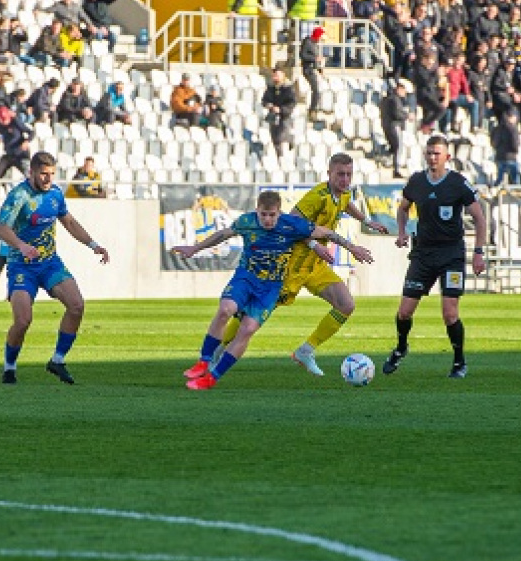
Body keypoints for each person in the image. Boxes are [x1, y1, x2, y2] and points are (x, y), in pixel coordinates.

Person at [173, 189, 373, 390]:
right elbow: (223, 234)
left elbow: (325, 232)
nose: (268, 220)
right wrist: (194, 249)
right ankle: (205, 360)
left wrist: (351, 247)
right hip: (246, 278)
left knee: (248, 329)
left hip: (271, 287)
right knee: (226, 309)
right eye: (263, 214)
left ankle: (211, 378)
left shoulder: (290, 224)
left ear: (279, 213)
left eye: (272, 215)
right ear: (257, 211)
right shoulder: (247, 222)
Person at [219, 153, 384, 377]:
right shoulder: (317, 196)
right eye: (340, 174)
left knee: (346, 304)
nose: (345, 180)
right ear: (329, 174)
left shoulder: (343, 194)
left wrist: (366, 221)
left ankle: (306, 351)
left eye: (348, 174)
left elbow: (347, 205)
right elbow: (291, 222)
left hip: (315, 267)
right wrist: (315, 244)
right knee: (250, 315)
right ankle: (220, 348)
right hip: (291, 267)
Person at [0, 151, 110, 385]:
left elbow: (68, 222)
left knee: (77, 306)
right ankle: (9, 367)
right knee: (23, 321)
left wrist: (93, 244)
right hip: (21, 266)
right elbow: (1, 228)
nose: (48, 179)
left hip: (49, 263)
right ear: (32, 172)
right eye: (43, 174)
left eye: (51, 174)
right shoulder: (19, 196)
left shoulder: (56, 194)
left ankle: (57, 360)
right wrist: (21, 246)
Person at [382, 135, 487, 379]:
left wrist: (478, 253)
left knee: (450, 313)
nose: (432, 157)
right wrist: (401, 232)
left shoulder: (458, 184)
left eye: (436, 153)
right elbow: (403, 208)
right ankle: (400, 348)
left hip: (452, 255)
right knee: (404, 311)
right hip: (423, 254)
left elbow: (480, 220)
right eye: (429, 153)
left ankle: (459, 361)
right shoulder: (417, 182)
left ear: (447, 157)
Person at [261, 68, 296, 156]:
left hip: (284, 116)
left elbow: (291, 103)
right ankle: (279, 156)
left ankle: (290, 141)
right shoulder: (271, 88)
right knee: (275, 138)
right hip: (273, 116)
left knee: (282, 135)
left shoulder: (288, 89)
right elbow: (264, 100)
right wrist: (269, 105)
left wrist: (281, 109)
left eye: (277, 75)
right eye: (274, 75)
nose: (275, 77)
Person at [380, 79, 409, 178]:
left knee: (394, 147)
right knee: (398, 147)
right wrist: (406, 115)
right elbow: (397, 114)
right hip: (394, 126)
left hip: (387, 125)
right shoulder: (395, 99)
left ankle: (387, 158)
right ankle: (396, 169)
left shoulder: (386, 99)